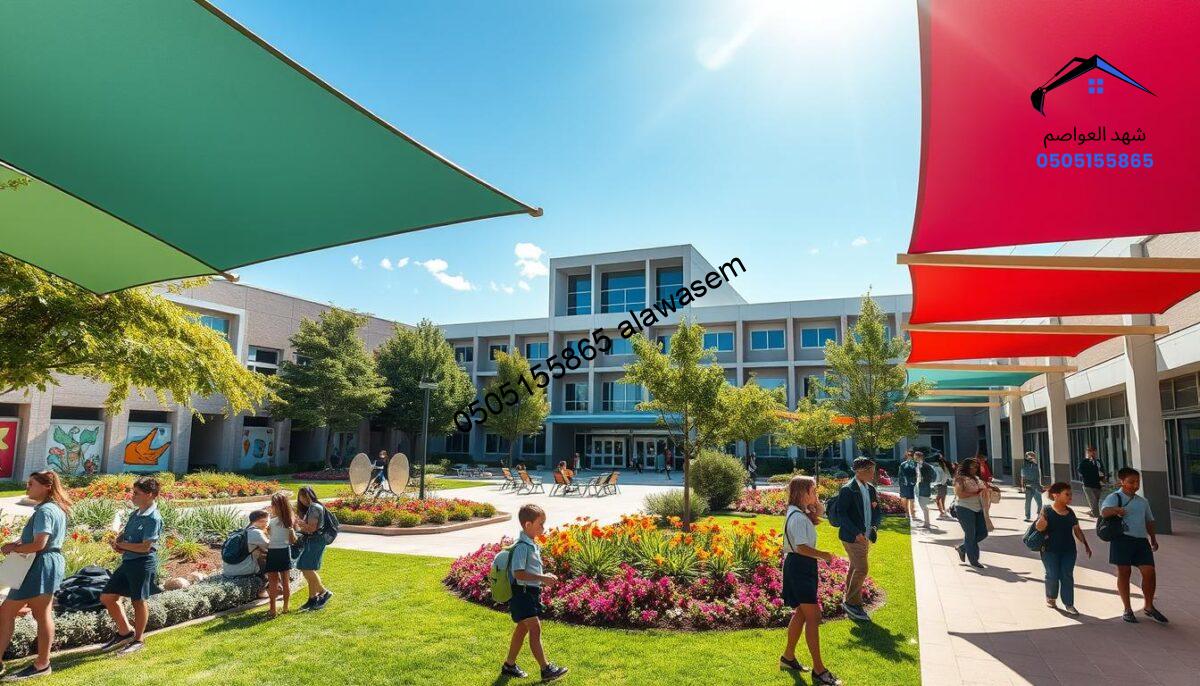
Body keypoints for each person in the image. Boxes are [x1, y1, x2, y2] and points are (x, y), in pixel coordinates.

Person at [0, 471, 71, 680]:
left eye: (31, 484)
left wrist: (13, 549)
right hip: (46, 563)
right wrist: (20, 545)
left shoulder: (45, 511)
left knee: (7, 612)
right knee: (40, 614)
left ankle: (40, 663)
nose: (27, 488)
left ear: (46, 486)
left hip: (39, 564)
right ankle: (42, 663)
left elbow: (40, 544)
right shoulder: (54, 509)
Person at [779, 476, 842, 685]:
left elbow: (821, 512)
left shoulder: (800, 512)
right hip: (799, 566)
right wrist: (825, 555)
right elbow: (801, 547)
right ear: (802, 492)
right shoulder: (797, 517)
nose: (817, 494)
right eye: (813, 491)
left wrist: (815, 502)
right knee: (813, 617)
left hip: (802, 566)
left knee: (802, 614)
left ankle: (788, 658)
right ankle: (819, 670)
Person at [500, 504, 568, 682]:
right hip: (521, 594)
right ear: (528, 525)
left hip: (529, 593)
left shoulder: (531, 544)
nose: (543, 528)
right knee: (535, 628)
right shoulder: (523, 546)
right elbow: (518, 573)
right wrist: (543, 578)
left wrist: (543, 577)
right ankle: (546, 669)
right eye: (541, 524)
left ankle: (509, 665)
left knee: (522, 628)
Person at [98, 475, 164, 656]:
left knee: (138, 601)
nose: (132, 496)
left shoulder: (153, 518)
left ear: (149, 495)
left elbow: (145, 546)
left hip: (143, 564)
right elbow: (127, 539)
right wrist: (118, 543)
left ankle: (138, 639)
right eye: (132, 492)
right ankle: (125, 632)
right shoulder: (134, 514)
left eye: (136, 493)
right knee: (107, 597)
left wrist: (122, 545)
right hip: (128, 561)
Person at [1101, 467, 1167, 624]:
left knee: (1149, 571)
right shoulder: (1114, 497)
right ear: (1122, 482)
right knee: (1124, 572)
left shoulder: (1143, 501)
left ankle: (1149, 606)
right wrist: (1117, 510)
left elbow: (1149, 521)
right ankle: (1127, 609)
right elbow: (1104, 512)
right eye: (1131, 482)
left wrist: (1153, 538)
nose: (1135, 485)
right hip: (1122, 540)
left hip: (1140, 541)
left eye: (1138, 482)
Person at [833, 457, 881, 621]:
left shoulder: (871, 489)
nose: (873, 474)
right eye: (871, 471)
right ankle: (852, 603)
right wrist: (856, 533)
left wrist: (874, 527)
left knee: (855, 566)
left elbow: (877, 512)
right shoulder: (848, 489)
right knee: (862, 568)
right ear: (861, 471)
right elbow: (842, 514)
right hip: (852, 537)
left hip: (865, 535)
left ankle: (848, 598)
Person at [1035, 482, 1091, 615]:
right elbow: (1039, 527)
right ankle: (1051, 597)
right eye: (1067, 494)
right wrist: (1041, 523)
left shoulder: (1070, 512)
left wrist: (1086, 544)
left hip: (1069, 550)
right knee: (1052, 575)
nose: (1070, 497)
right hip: (1049, 550)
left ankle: (1069, 604)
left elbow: (1076, 529)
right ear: (1056, 495)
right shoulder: (1046, 510)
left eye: (1070, 494)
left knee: (1067, 575)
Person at [294, 486, 333, 611]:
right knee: (306, 568)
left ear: (311, 495)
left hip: (315, 541)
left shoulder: (315, 508)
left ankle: (324, 593)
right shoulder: (311, 508)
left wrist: (297, 522)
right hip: (313, 541)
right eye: (301, 496)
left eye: (305, 496)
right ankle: (312, 598)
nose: (303, 499)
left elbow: (311, 528)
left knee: (307, 568)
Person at [264, 492, 298, 617]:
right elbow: (292, 539)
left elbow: (269, 536)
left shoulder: (272, 522)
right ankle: (285, 607)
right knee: (285, 581)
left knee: (273, 581)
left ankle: (272, 608)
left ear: (274, 505)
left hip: (273, 552)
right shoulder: (290, 520)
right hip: (284, 551)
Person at [953, 458, 989, 569]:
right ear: (966, 467)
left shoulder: (976, 478)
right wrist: (977, 492)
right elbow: (960, 494)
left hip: (978, 509)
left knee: (983, 533)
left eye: (976, 467)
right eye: (973, 466)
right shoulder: (960, 479)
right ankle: (974, 561)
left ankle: (962, 548)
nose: (975, 468)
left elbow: (983, 489)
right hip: (964, 508)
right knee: (971, 535)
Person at [221, 510, 270, 578]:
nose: (266, 524)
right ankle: (272, 581)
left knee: (258, 550)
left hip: (228, 570)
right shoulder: (256, 532)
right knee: (270, 555)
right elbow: (271, 547)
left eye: (267, 521)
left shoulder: (243, 531)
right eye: (264, 521)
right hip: (241, 571)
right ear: (258, 521)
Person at [1078, 446, 1108, 518]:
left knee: (1098, 501)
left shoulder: (1098, 462)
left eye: (1094, 452)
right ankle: (1097, 516)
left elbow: (1102, 471)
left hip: (1098, 485)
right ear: (1087, 453)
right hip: (1088, 485)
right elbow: (1080, 471)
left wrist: (1103, 479)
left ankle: (1093, 513)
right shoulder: (1084, 462)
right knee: (1093, 502)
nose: (1093, 454)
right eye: (1090, 452)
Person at [1020, 452, 1044, 522]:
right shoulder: (1024, 466)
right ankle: (1027, 516)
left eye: (1033, 457)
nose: (1031, 458)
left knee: (1039, 502)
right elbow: (1022, 477)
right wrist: (1022, 486)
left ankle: (1039, 514)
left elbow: (1039, 475)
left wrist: (1040, 484)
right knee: (1028, 502)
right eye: (1029, 457)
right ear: (1026, 458)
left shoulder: (1037, 465)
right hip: (1028, 486)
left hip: (1036, 486)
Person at [913, 451, 935, 529]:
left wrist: (923, 480)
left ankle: (927, 523)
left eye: (915, 456)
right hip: (919, 486)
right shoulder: (918, 465)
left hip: (924, 487)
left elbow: (930, 477)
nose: (914, 458)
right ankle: (926, 522)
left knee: (923, 505)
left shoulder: (926, 466)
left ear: (920, 457)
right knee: (921, 504)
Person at [897, 449, 917, 519]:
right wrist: (901, 484)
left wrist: (914, 481)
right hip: (904, 485)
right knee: (904, 500)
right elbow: (900, 475)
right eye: (908, 455)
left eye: (911, 455)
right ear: (906, 456)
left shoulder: (915, 464)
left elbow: (917, 474)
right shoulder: (903, 464)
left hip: (911, 485)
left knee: (911, 500)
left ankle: (913, 514)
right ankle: (907, 513)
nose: (910, 456)